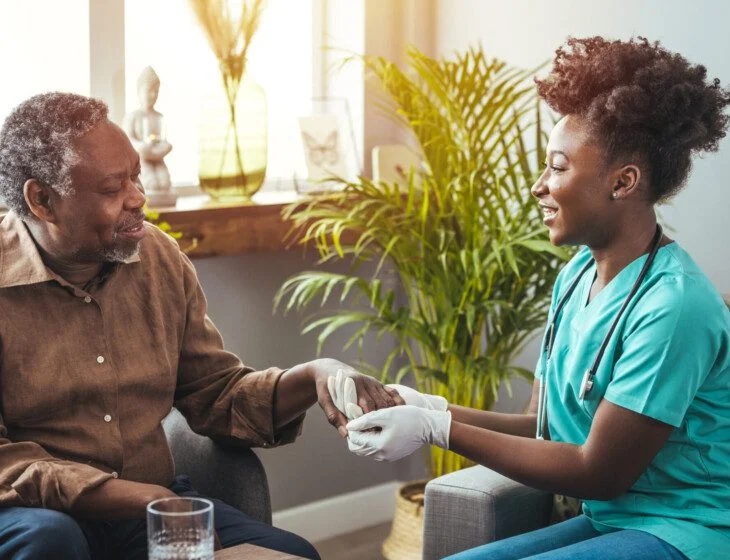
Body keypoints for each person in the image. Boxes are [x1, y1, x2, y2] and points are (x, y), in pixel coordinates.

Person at [341, 37, 730, 560]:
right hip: (615, 522)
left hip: (689, 531)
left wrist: (438, 430)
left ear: (625, 181)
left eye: (559, 166)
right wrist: (426, 406)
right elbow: (542, 428)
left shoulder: (675, 307)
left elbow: (601, 471)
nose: (538, 186)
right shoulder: (575, 277)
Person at [0, 92, 403, 559]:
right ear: (42, 200)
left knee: (295, 554)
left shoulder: (158, 258)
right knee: (52, 542)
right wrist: (135, 496)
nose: (138, 197)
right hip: (35, 516)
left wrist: (315, 375)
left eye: (135, 175)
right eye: (113, 189)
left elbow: (215, 395)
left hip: (154, 506)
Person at [122, 66, 176, 207]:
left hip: (157, 158)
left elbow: (163, 140)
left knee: (164, 184)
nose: (152, 95)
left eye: (155, 91)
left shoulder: (159, 117)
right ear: (139, 91)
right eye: (148, 90)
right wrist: (143, 148)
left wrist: (164, 148)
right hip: (141, 160)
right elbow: (128, 140)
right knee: (151, 183)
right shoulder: (132, 117)